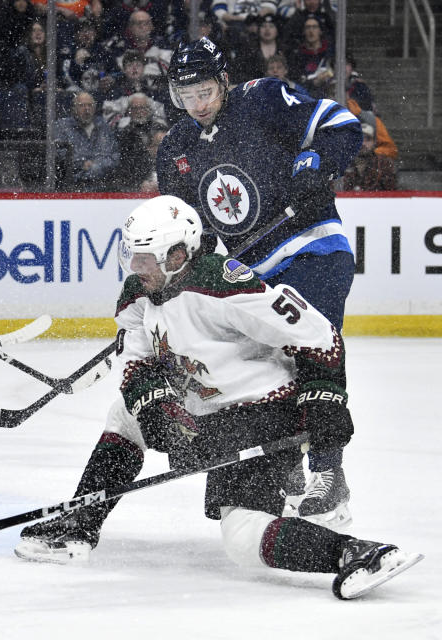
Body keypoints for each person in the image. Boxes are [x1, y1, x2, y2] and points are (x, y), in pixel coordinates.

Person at [13, 196, 423, 601]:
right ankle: (77, 527)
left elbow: (319, 336)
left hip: (264, 411)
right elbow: (136, 364)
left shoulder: (222, 285)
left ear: (177, 255)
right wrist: (156, 410)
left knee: (242, 537)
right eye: (131, 256)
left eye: (146, 258)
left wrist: (324, 402)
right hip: (205, 408)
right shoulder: (138, 294)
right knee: (125, 414)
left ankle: (355, 552)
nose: (136, 268)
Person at [156, 37, 361, 527]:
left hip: (313, 247)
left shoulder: (264, 98)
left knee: (310, 347)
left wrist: (317, 163)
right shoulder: (176, 149)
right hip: (255, 273)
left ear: (223, 81)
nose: (198, 105)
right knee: (262, 366)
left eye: (205, 91)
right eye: (187, 97)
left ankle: (329, 474)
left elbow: (342, 124)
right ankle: (283, 461)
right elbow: (192, 235)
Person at [53, 91, 119, 191]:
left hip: (102, 187)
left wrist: (95, 166)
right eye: (82, 105)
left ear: (95, 108)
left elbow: (114, 156)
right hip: (72, 188)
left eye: (90, 105)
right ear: (74, 109)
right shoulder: (62, 126)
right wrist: (81, 163)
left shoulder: (104, 126)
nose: (86, 109)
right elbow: (60, 154)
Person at [343, 123, 397, 192]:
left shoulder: (384, 164)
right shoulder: (343, 164)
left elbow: (392, 194)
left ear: (374, 142)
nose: (363, 143)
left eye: (367, 139)